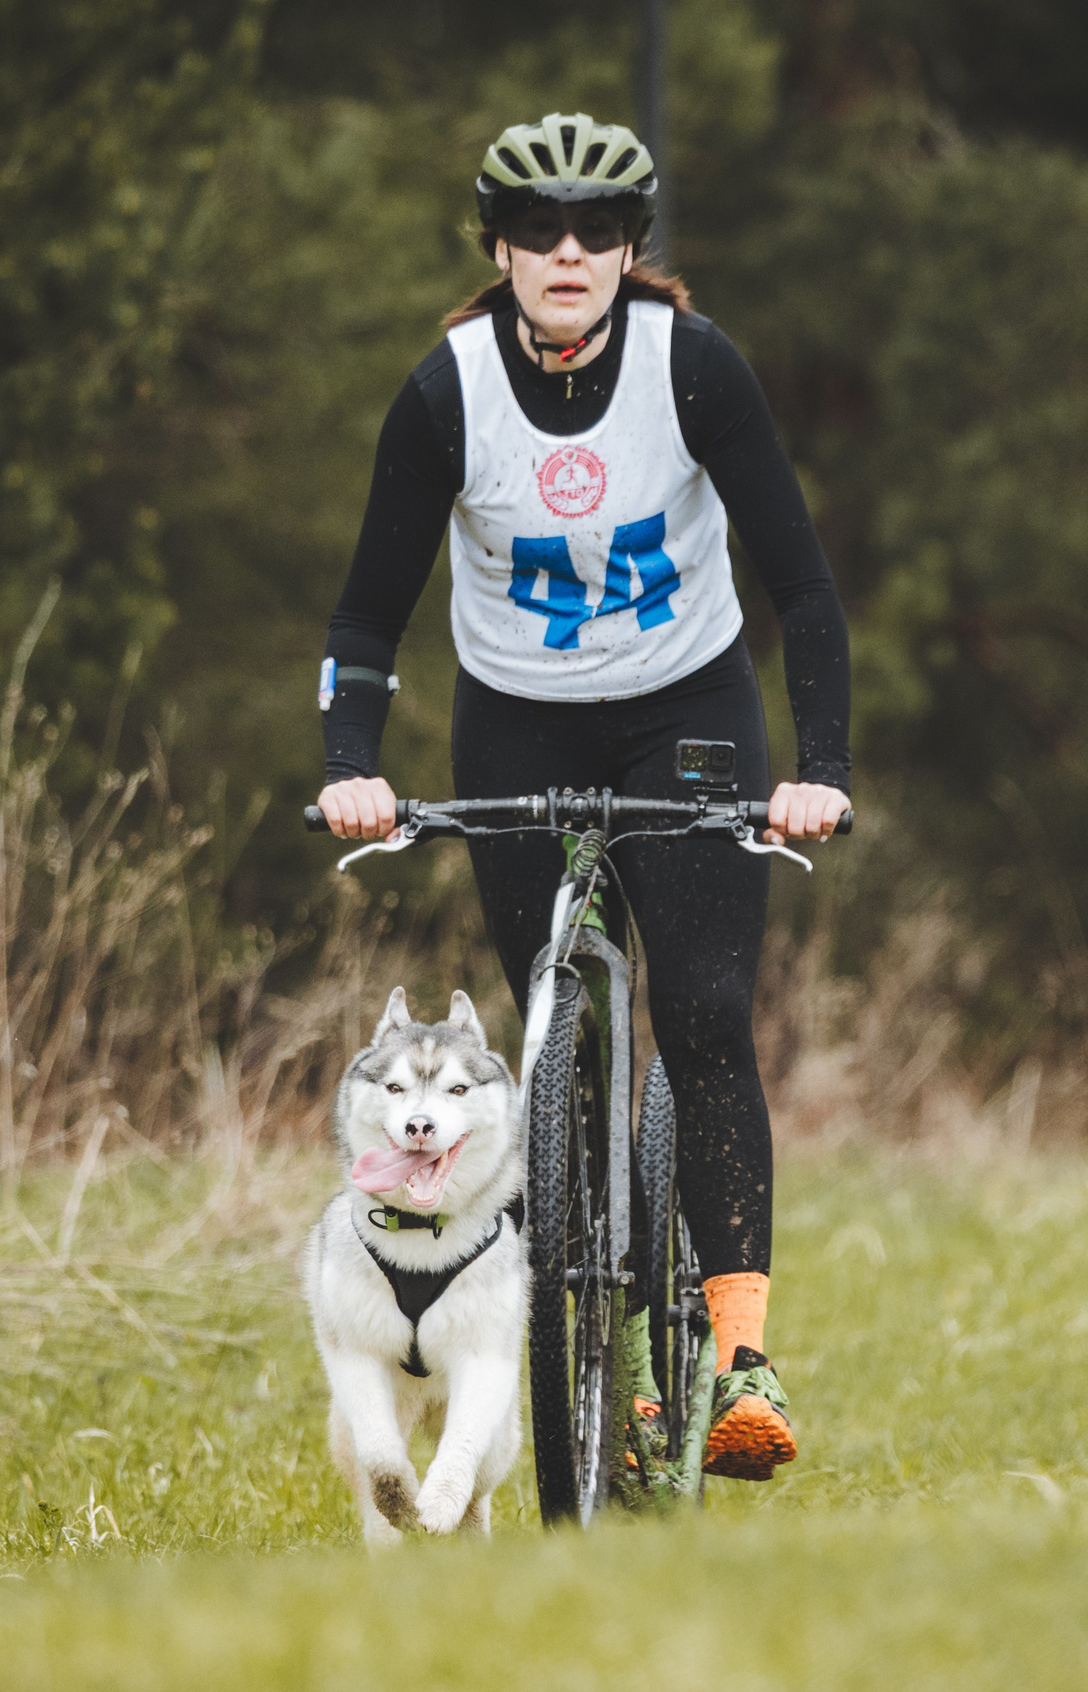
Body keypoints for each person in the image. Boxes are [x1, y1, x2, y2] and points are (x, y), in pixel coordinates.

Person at [314, 113, 850, 1481]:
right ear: (497, 248)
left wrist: (819, 773)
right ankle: (591, 1320)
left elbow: (802, 585)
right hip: (518, 726)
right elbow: (369, 617)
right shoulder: (447, 393)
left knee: (710, 1011)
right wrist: (351, 771)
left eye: (595, 230)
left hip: (690, 714)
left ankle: (737, 1360)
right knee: (554, 1014)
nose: (567, 251)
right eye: (538, 230)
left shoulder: (694, 368)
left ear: (628, 250)